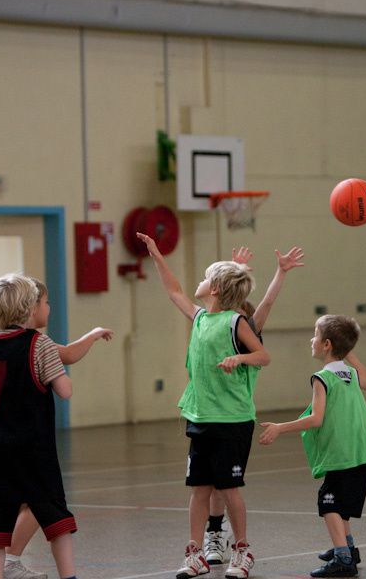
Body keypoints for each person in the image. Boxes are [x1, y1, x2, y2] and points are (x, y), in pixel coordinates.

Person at [0, 279, 113, 579]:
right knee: (54, 516)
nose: (48, 307)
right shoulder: (39, 344)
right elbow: (65, 390)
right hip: (32, 450)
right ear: (30, 308)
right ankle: (69, 575)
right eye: (45, 302)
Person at [137, 233, 270, 579]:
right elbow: (173, 290)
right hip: (201, 416)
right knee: (199, 489)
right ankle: (194, 552)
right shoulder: (199, 318)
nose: (198, 281)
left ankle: (242, 551)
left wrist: (237, 359)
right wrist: (156, 254)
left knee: (229, 488)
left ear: (214, 288)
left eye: (205, 277)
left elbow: (263, 355)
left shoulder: (235, 322)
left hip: (232, 419)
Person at [203, 246, 305, 566]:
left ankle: (226, 538)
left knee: (226, 484)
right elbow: (218, 295)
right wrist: (237, 267)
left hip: (237, 417)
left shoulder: (249, 334)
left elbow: (267, 302)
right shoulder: (212, 326)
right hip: (209, 414)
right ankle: (214, 534)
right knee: (213, 484)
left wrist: (281, 272)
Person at [259, 315, 366, 578]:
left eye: (314, 335)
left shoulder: (321, 377)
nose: (310, 340)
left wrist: (280, 427)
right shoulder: (349, 372)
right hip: (362, 448)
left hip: (343, 451)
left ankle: (343, 559)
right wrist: (349, 353)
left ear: (326, 344)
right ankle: (347, 548)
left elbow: (316, 418)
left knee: (329, 503)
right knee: (342, 503)